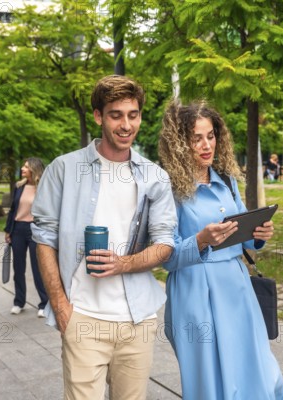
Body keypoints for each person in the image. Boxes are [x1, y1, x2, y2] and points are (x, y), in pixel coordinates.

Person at [31, 75, 177, 400]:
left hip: (137, 321)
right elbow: (43, 238)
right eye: (116, 115)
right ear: (98, 116)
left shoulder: (155, 176)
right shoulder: (64, 169)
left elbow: (165, 243)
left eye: (133, 115)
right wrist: (61, 307)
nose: (126, 125)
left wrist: (123, 263)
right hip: (82, 317)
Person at [158, 100, 283, 399]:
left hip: (237, 290)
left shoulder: (226, 181)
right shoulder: (167, 189)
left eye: (211, 135)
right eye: (196, 138)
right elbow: (166, 257)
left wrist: (259, 234)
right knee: (213, 387)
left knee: (267, 379)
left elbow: (243, 236)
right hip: (195, 293)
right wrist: (201, 240)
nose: (206, 145)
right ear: (179, 143)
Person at [4, 157, 48, 317]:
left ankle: (44, 303)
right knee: (18, 268)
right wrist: (8, 230)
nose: (22, 168)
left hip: (35, 230)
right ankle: (19, 302)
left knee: (38, 269)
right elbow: (13, 209)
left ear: (34, 170)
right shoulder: (19, 186)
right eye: (23, 165)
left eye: (26, 166)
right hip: (18, 230)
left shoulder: (43, 187)